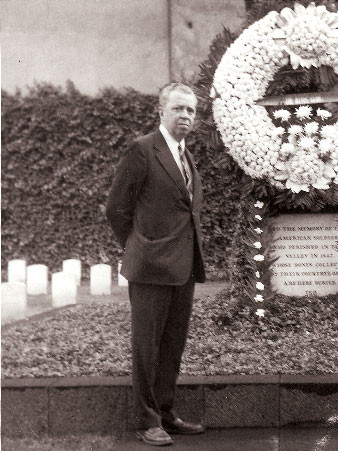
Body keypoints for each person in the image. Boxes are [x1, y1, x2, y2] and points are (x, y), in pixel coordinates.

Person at [106, 82, 206, 447]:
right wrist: (140, 246)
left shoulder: (186, 155)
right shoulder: (143, 150)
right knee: (147, 347)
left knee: (172, 345)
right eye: (179, 109)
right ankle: (147, 420)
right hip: (150, 269)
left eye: (191, 111)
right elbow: (116, 208)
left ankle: (166, 412)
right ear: (162, 111)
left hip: (183, 268)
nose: (185, 116)